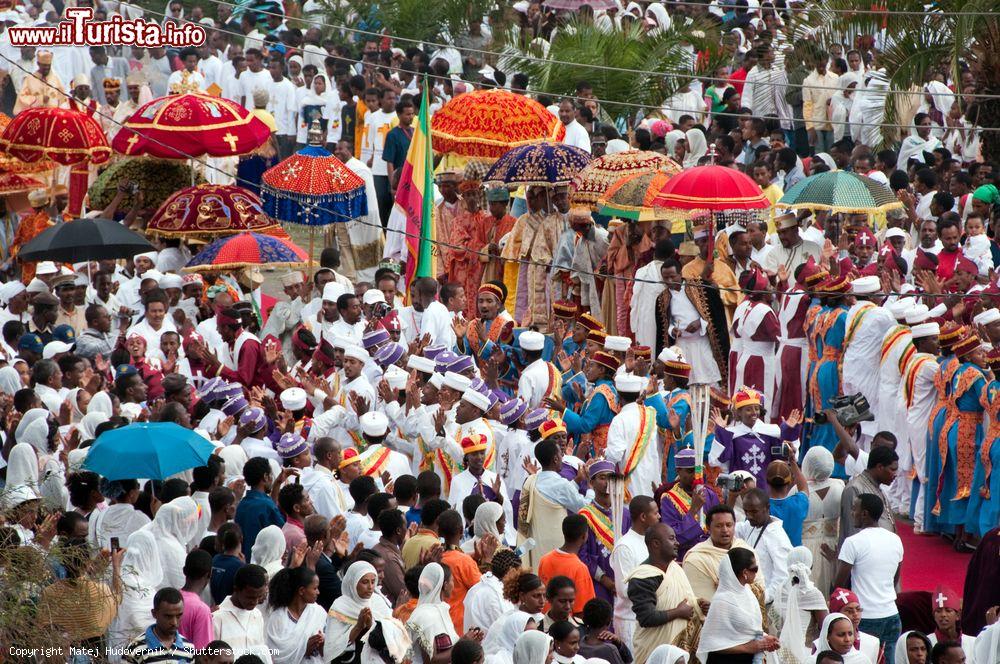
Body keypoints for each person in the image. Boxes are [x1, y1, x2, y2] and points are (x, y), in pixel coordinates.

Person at [836, 494, 904, 664]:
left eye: (855, 509)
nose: (852, 513)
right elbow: (895, 578)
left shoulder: (853, 542)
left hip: (865, 616)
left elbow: (839, 584)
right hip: (891, 614)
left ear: (864, 513)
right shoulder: (895, 539)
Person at [625, 523, 702, 664]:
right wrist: (678, 612)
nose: (677, 543)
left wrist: (698, 604)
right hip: (652, 651)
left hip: (681, 653)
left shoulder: (675, 569)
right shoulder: (642, 577)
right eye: (672, 538)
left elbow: (687, 599)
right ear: (656, 544)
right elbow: (647, 618)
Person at [697, 548, 780, 664]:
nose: (757, 572)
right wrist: (748, 647)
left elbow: (748, 629)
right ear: (745, 573)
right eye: (754, 569)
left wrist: (764, 639)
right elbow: (711, 643)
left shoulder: (747, 592)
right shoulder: (723, 600)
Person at [324, 560, 411, 664]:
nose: (370, 587)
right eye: (365, 582)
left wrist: (372, 626)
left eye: (373, 582)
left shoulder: (378, 602)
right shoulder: (340, 607)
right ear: (354, 582)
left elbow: (392, 635)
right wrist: (359, 627)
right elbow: (333, 646)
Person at [660, 447, 720, 560]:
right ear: (678, 470)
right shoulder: (668, 499)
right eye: (690, 471)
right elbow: (673, 537)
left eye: (698, 471)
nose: (695, 476)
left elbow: (720, 524)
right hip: (686, 556)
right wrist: (693, 509)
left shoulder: (710, 494)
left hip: (711, 554)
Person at [265, 566, 328, 664]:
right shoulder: (278, 618)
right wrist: (303, 650)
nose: (318, 592)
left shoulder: (318, 612)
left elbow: (328, 652)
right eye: (315, 588)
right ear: (302, 591)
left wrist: (322, 643)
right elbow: (273, 655)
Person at [538, 514, 597, 617]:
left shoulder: (545, 559)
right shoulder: (580, 568)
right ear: (584, 536)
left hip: (546, 622)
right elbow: (583, 610)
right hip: (567, 628)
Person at [407, 563, 465, 664]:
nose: (453, 585)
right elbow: (431, 660)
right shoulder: (425, 616)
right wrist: (463, 643)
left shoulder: (440, 609)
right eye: (452, 580)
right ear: (445, 585)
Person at [212, 564, 271, 663]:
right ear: (236, 589)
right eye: (250, 597)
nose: (255, 602)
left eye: (259, 597)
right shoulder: (217, 618)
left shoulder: (257, 615)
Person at [123, 587, 196, 664]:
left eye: (179, 616)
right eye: (168, 616)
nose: (174, 622)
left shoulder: (189, 648)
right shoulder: (135, 648)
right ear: (154, 614)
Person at [808, 613, 874, 664]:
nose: (847, 639)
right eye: (841, 635)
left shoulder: (862, 660)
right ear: (827, 636)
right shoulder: (812, 661)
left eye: (850, 634)